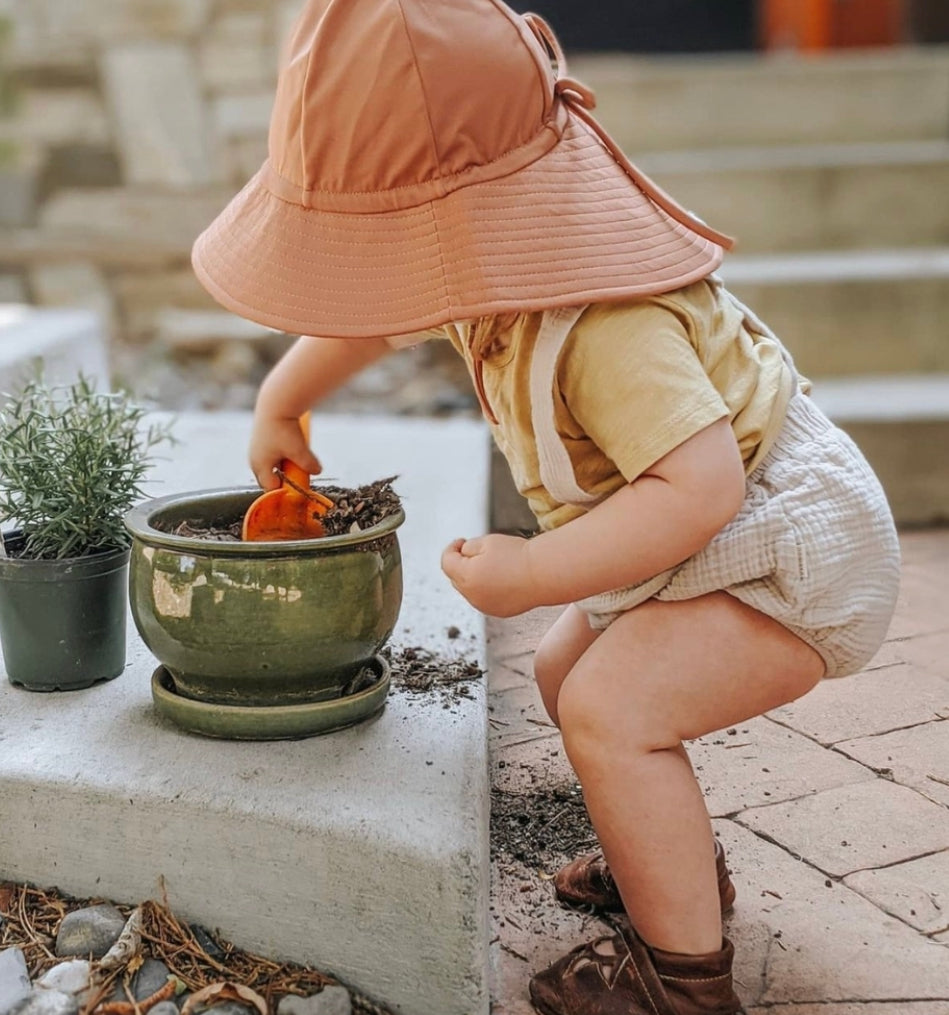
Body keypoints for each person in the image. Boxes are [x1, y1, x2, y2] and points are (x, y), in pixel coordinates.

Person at [190, 1, 901, 1011]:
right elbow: (382, 316)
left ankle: (681, 982)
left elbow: (698, 488)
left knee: (616, 711)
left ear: (461, 217)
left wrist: (531, 572)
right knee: (572, 674)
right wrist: (284, 397)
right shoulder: (488, 256)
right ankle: (672, 871)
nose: (394, 281)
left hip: (789, 555)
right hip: (716, 539)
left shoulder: (610, 327)